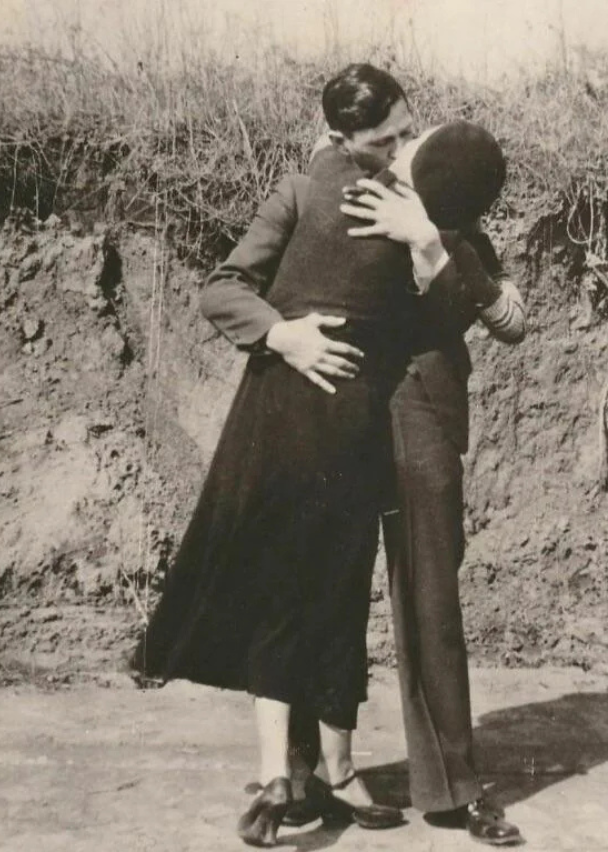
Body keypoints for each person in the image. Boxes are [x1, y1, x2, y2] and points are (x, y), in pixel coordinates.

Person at [137, 63, 524, 848]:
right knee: (318, 581)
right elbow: (236, 284)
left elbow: (504, 312)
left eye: (405, 134)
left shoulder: (435, 188)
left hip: (417, 407)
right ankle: (308, 774)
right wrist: (283, 332)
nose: (399, 148)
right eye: (384, 139)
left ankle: (455, 786)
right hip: (336, 405)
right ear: (342, 138)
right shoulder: (317, 188)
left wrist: (432, 250)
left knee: (430, 598)